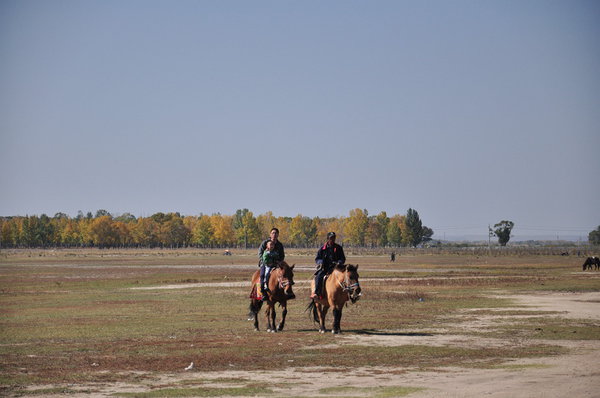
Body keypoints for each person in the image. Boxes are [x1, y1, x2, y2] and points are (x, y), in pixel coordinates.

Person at [311, 232, 346, 299]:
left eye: (334, 238)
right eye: (331, 238)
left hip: (336, 268)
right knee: (318, 277)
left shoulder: (339, 248)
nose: (332, 240)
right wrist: (320, 262)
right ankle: (317, 293)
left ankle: (346, 295)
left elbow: (342, 258)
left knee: (346, 277)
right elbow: (317, 258)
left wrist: (339, 262)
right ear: (328, 239)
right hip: (325, 268)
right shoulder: (322, 248)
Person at [258, 228, 285, 295]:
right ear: (270, 234)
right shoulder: (265, 243)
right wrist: (265, 261)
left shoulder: (280, 245)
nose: (274, 234)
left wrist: (279, 262)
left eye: (276, 233)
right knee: (262, 275)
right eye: (273, 233)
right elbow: (260, 253)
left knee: (284, 274)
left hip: (276, 264)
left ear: (278, 235)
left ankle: (285, 291)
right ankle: (263, 290)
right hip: (265, 264)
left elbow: (282, 256)